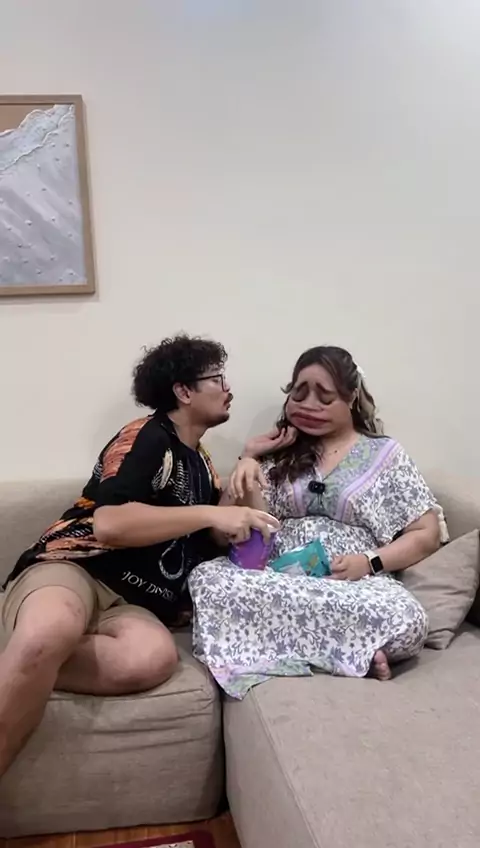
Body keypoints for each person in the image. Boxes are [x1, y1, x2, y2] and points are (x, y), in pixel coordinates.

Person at [0, 334, 278, 777]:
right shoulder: (147, 437)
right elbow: (110, 523)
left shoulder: (201, 463)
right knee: (50, 630)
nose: (228, 389)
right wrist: (212, 512)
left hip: (133, 604)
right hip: (77, 567)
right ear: (183, 391)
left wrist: (247, 461)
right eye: (217, 379)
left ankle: (22, 655)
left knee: (151, 658)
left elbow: (218, 537)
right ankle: (32, 647)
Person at [189, 345, 441, 698]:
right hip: (278, 576)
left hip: (351, 584)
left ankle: (289, 648)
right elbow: (221, 535)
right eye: (299, 394)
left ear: (351, 398)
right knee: (208, 581)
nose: (308, 406)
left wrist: (369, 562)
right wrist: (248, 458)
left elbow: (426, 533)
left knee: (408, 620)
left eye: (324, 397)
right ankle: (350, 652)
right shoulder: (276, 452)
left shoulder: (385, 455)